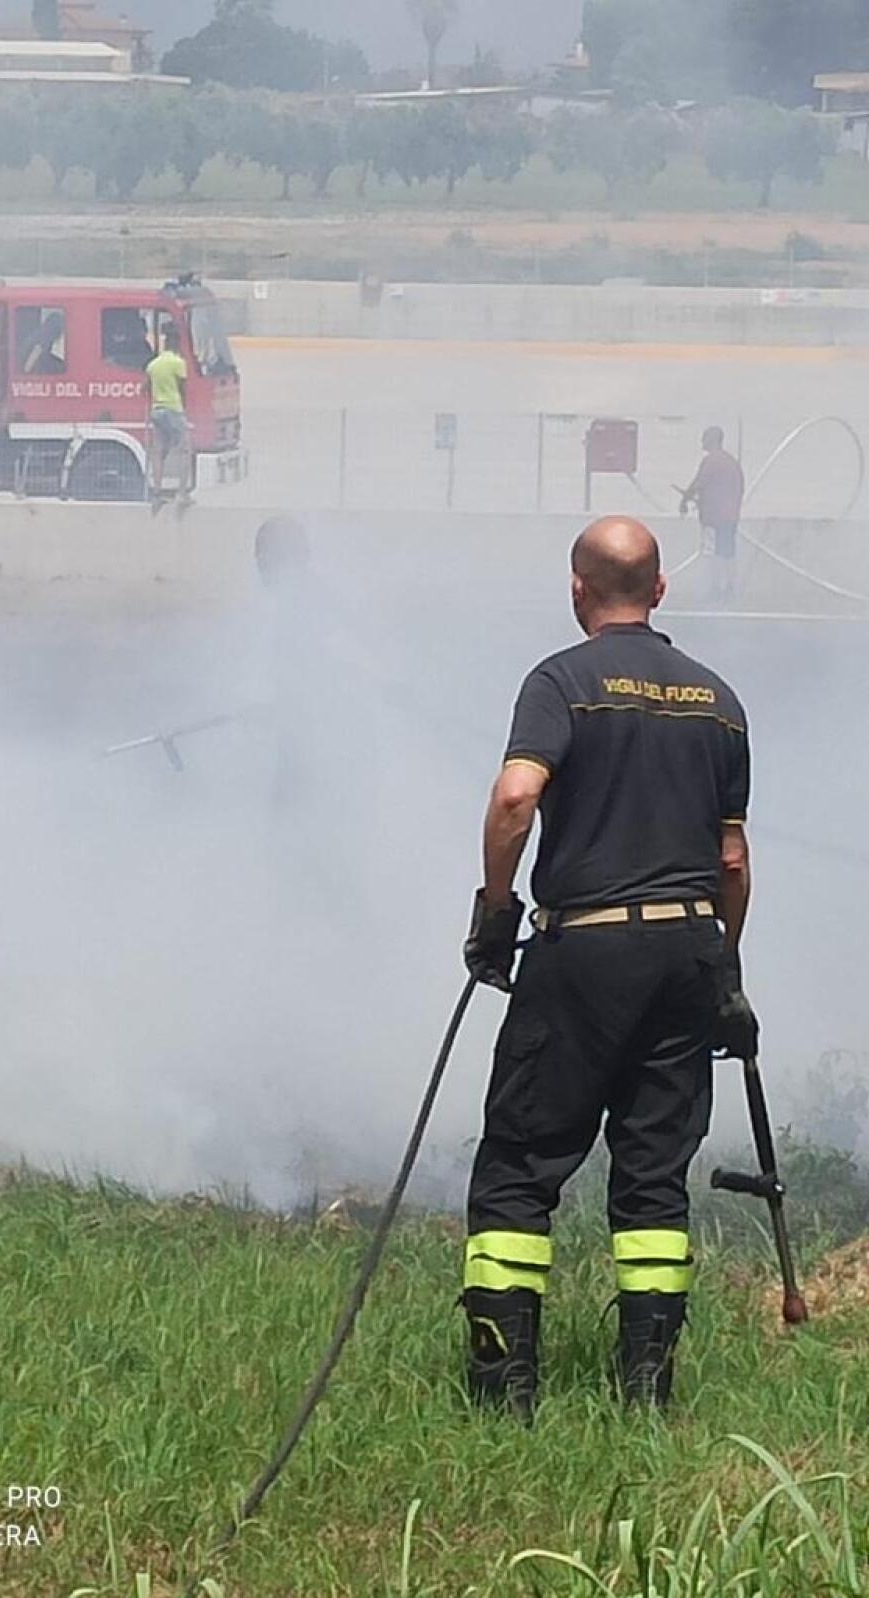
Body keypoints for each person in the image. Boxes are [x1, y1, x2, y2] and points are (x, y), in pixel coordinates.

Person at [460, 516, 759, 1420]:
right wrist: (727, 979)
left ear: (577, 588)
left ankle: (503, 1400)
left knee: (519, 1165)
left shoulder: (560, 681)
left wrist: (496, 910)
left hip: (582, 949)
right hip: (688, 950)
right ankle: (648, 1400)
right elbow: (733, 861)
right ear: (660, 590)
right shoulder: (718, 700)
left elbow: (517, 795)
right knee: (653, 1177)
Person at [680, 427, 745, 605]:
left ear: (712, 439)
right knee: (728, 552)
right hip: (730, 517)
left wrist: (685, 499)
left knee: (711, 553)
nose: (702, 442)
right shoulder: (731, 462)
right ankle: (730, 587)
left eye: (704, 438)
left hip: (713, 518)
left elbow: (699, 483)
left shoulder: (711, 461)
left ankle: (715, 589)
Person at [144, 326, 193, 511]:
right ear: (177, 344)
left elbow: (145, 387)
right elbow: (182, 389)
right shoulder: (178, 363)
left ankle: (156, 494)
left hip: (157, 411)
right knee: (185, 449)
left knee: (158, 452)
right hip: (173, 409)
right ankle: (182, 493)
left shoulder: (153, 364)